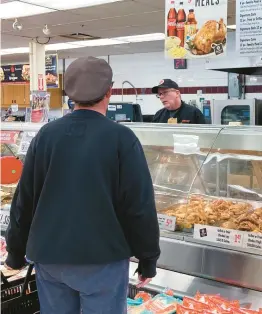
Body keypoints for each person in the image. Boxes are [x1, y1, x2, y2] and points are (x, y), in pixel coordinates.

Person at [5, 56, 160, 314]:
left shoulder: (46, 135)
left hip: (50, 258)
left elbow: (25, 201)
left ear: (69, 94)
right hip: (102, 260)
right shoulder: (122, 138)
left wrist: (15, 251)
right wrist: (148, 258)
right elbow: (139, 206)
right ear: (109, 91)